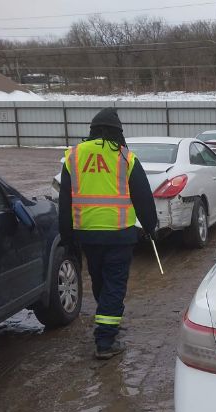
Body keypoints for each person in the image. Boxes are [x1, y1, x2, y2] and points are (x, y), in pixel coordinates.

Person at [58, 107, 157, 360]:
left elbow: (65, 201)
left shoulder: (74, 156)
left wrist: (66, 235)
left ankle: (108, 320)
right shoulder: (125, 157)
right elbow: (143, 197)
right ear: (117, 132)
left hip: (87, 234)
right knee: (114, 284)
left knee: (100, 280)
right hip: (119, 234)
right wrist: (150, 226)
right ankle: (105, 341)